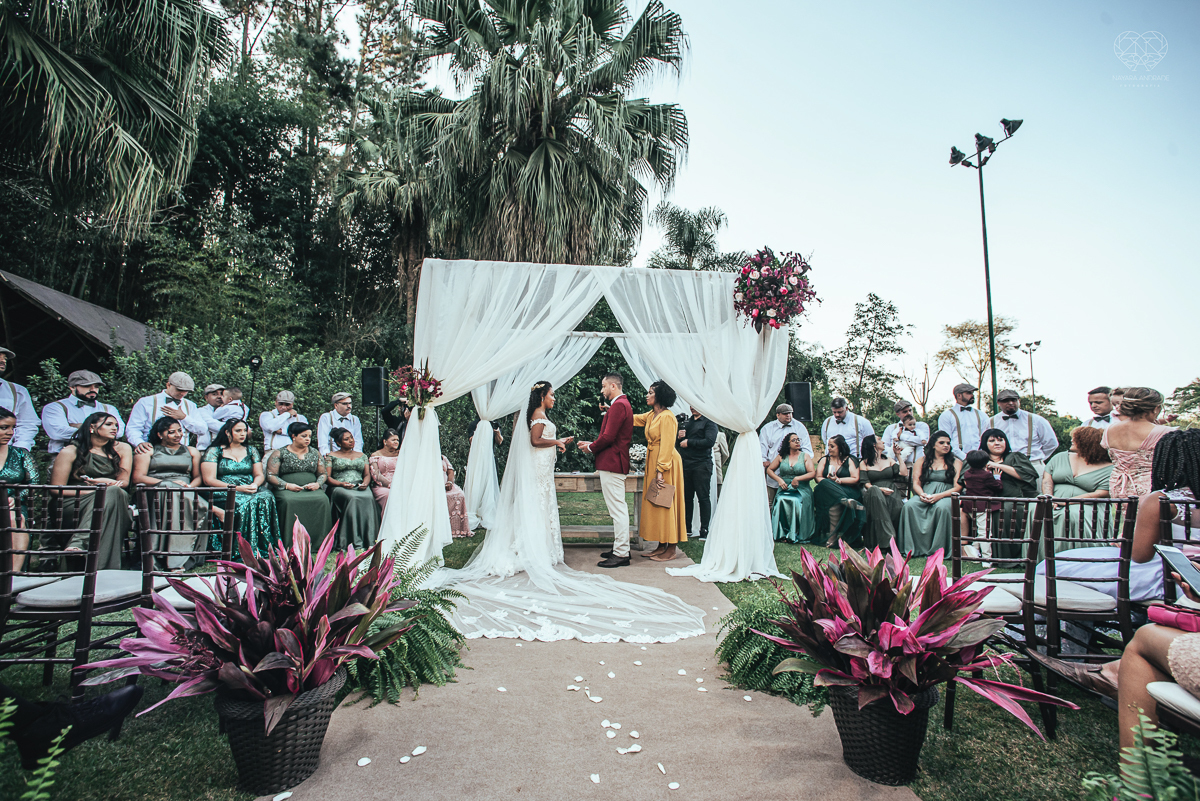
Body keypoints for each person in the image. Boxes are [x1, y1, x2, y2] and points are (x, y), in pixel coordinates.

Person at [50, 412, 133, 569]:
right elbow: (56, 490)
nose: (114, 428)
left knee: (115, 492)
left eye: (116, 425)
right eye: (108, 424)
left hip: (112, 497)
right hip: (73, 501)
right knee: (111, 494)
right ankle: (103, 568)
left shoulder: (123, 448)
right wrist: (97, 492)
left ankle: (80, 542)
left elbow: (124, 483)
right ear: (92, 428)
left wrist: (106, 484)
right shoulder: (70, 451)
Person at [131, 417, 206, 570]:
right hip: (155, 492)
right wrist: (171, 485)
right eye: (172, 432)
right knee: (167, 488)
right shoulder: (148, 450)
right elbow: (138, 477)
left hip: (186, 491)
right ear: (160, 434)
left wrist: (188, 487)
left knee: (176, 496)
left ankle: (179, 559)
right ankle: (160, 559)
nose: (178, 435)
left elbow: (198, 477)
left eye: (180, 431)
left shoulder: (191, 451)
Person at [579, 373, 633, 568]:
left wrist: (590, 448)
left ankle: (621, 553)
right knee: (618, 509)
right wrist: (592, 443)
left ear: (613, 386)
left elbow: (609, 437)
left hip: (612, 463)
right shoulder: (620, 405)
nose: (601, 391)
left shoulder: (619, 406)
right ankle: (620, 547)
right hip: (614, 463)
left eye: (603, 387)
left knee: (618, 510)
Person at [201, 419, 278, 557]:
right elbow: (209, 480)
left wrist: (255, 484)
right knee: (244, 502)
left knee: (266, 496)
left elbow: (259, 474)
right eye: (238, 431)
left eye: (244, 430)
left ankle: (263, 546)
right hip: (223, 489)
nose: (243, 434)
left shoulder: (251, 450)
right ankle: (240, 548)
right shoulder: (215, 451)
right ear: (227, 432)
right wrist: (236, 488)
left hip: (249, 486)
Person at [632, 381, 686, 562]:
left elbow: (668, 444)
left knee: (666, 501)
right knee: (657, 502)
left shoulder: (668, 417)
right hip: (654, 459)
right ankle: (661, 545)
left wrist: (661, 470)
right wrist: (612, 409)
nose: (646, 396)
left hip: (667, 462)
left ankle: (671, 548)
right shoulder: (651, 415)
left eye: (650, 393)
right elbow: (632, 418)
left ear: (659, 396)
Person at [1039, 426, 1114, 550]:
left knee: (1072, 514)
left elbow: (1102, 493)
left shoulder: (1109, 467)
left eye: (1076, 439)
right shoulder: (1061, 457)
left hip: (1089, 505)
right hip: (1052, 500)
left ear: (1088, 443)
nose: (1072, 440)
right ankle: (1043, 557)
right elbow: (1047, 478)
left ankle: (1073, 556)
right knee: (1036, 508)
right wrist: (1049, 497)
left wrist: (1067, 501)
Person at [897, 431, 962, 557]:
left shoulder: (955, 462)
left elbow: (958, 487)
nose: (946, 445)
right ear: (933, 445)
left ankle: (938, 550)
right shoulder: (922, 460)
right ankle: (912, 548)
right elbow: (916, 482)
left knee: (941, 508)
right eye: (941, 443)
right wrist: (922, 494)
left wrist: (939, 496)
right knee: (910, 506)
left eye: (948, 443)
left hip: (946, 494)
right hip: (925, 493)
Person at [266, 420, 331, 545]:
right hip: (286, 489)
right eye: (304, 436)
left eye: (309, 436)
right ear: (293, 437)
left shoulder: (315, 453)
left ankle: (319, 543)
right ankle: (290, 542)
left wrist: (318, 484)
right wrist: (287, 485)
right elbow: (271, 475)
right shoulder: (279, 453)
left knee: (323, 500)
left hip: (311, 488)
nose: (308, 439)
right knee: (288, 501)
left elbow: (323, 473)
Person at [1103, 386, 1174, 499]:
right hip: (1151, 487)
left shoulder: (1110, 430)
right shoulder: (1167, 432)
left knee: (1126, 516)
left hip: (1118, 485)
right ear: (1155, 408)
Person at [978, 427, 1039, 558]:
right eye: (992, 440)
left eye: (1001, 440)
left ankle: (1013, 555)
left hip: (1016, 498)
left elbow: (1026, 476)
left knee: (1008, 508)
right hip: (987, 499)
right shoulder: (978, 458)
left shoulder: (1015, 457)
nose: (997, 443)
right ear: (984, 444)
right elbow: (967, 479)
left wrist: (998, 466)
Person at [40, 370, 126, 454]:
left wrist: (80, 428)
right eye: (87, 386)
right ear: (72, 387)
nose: (93, 389)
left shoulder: (109, 408)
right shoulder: (55, 407)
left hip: (102, 456)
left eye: (96, 386)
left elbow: (119, 431)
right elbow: (57, 432)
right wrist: (101, 431)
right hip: (64, 456)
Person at [325, 427, 380, 549]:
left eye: (351, 438)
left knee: (369, 497)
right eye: (346, 439)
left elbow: (366, 474)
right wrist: (341, 484)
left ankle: (369, 539)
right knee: (353, 498)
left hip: (359, 485)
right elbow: (327, 477)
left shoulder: (362, 455)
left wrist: (365, 483)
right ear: (338, 443)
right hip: (339, 487)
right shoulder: (331, 456)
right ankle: (352, 539)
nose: (351, 441)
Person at [0, 406, 40, 570]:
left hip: (15, 504)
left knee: (14, 518)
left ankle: (14, 574)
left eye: (12, 428)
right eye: (4, 428)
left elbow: (33, 484)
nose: (10, 432)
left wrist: (15, 498)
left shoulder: (21, 454)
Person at [126, 372, 206, 453]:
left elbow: (202, 430)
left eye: (186, 391)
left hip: (182, 453)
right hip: (152, 451)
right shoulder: (146, 402)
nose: (182, 393)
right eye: (179, 389)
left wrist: (184, 418)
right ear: (168, 385)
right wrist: (139, 442)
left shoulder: (190, 405)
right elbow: (133, 428)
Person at [988, 389, 1059, 476]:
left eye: (1014, 400)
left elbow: (1051, 443)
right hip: (1002, 467)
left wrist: (1037, 458)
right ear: (998, 403)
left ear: (1019, 401)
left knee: (1039, 490)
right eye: (1006, 400)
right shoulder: (991, 422)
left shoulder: (1036, 420)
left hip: (1032, 464)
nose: (1010, 403)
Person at [813, 434, 865, 548]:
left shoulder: (850, 460)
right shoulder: (824, 460)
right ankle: (844, 500)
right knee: (825, 482)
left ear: (840, 447)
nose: (829, 449)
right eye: (828, 446)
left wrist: (838, 480)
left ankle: (832, 537)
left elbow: (855, 479)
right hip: (827, 492)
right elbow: (818, 478)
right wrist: (831, 483)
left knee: (834, 505)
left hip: (848, 490)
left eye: (832, 446)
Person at [859, 433, 908, 550]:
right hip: (873, 494)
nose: (883, 442)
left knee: (897, 509)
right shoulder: (864, 463)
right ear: (873, 445)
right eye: (880, 440)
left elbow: (904, 473)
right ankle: (889, 539)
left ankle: (892, 541)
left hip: (891, 492)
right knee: (875, 491)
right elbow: (866, 483)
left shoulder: (889, 460)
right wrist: (880, 490)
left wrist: (898, 456)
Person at [766, 433, 816, 544]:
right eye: (794, 440)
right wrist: (779, 480)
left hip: (801, 489)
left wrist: (798, 478)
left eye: (798, 439)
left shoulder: (805, 456)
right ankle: (781, 534)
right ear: (787, 443)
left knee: (796, 501)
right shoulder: (781, 456)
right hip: (785, 488)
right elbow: (769, 470)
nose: (797, 442)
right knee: (780, 500)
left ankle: (796, 533)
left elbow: (812, 473)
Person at [758, 403, 814, 503]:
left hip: (795, 471)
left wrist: (802, 462)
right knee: (771, 501)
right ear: (778, 415)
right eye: (785, 413)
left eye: (790, 413)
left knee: (795, 501)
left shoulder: (799, 427)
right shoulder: (768, 428)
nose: (788, 415)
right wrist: (764, 461)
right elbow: (762, 447)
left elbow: (807, 448)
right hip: (774, 470)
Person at [678, 406, 717, 540]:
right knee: (687, 497)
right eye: (691, 406)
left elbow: (709, 441)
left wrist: (689, 442)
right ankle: (686, 527)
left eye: (695, 405)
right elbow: (679, 444)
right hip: (686, 464)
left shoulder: (709, 422)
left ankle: (704, 529)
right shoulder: (688, 422)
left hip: (702, 464)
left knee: (703, 497)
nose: (692, 408)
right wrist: (679, 437)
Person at [957, 449, 1003, 561]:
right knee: (985, 532)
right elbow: (998, 487)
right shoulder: (986, 475)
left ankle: (974, 552)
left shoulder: (967, 474)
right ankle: (987, 559)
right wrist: (997, 477)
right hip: (982, 506)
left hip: (969, 506)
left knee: (979, 530)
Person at [0, 346, 39, 450]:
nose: (3, 361)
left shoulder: (17, 391)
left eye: (5, 358)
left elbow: (28, 423)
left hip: (5, 453)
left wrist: (19, 450)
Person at [938, 382, 987, 462]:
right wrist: (964, 457)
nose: (972, 395)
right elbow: (946, 439)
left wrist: (980, 455)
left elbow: (985, 436)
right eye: (968, 393)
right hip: (957, 459)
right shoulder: (946, 416)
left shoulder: (981, 415)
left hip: (981, 458)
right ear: (959, 395)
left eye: (972, 393)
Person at [882, 400, 929, 469]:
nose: (909, 413)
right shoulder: (891, 428)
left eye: (910, 410)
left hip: (916, 466)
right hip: (895, 466)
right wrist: (896, 451)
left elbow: (922, 442)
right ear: (898, 414)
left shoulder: (921, 426)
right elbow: (883, 447)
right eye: (905, 411)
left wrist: (901, 436)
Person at [260, 391, 307, 456]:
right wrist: (287, 414)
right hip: (272, 452)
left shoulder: (300, 418)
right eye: (281, 404)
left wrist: (282, 431)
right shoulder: (266, 415)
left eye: (287, 405)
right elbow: (270, 427)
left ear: (292, 404)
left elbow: (304, 434)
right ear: (276, 402)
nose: (283, 407)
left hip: (295, 453)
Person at [368, 428, 401, 513]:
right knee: (390, 495)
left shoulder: (401, 454)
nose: (396, 442)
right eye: (393, 440)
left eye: (397, 440)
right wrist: (391, 485)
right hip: (382, 486)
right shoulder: (376, 455)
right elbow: (376, 475)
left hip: (401, 485)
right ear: (385, 441)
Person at [442, 454, 470, 538]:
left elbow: (450, 471)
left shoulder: (443, 458)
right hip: (435, 487)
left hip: (447, 484)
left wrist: (450, 482)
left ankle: (458, 528)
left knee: (459, 495)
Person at [195, 383, 225, 451]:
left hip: (226, 452)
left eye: (222, 394)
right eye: (214, 394)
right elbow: (214, 425)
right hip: (205, 450)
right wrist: (231, 427)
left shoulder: (230, 411)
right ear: (206, 397)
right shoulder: (201, 411)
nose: (219, 397)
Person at [713, 430, 730, 500]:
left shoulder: (719, 435)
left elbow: (725, 454)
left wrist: (720, 463)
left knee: (718, 495)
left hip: (716, 470)